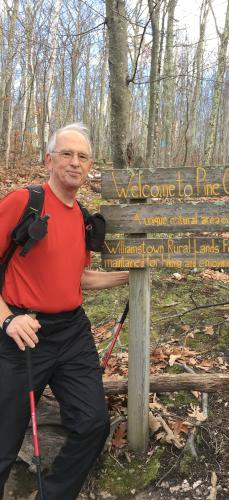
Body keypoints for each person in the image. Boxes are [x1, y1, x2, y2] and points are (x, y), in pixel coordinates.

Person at [0, 123, 129, 500]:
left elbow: (79, 278)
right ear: (50, 159)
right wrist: (7, 318)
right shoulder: (24, 202)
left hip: (72, 333)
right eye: (67, 154)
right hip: (23, 331)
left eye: (83, 156)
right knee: (4, 442)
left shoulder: (81, 216)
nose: (75, 162)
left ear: (90, 165)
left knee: (93, 424)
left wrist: (130, 277)